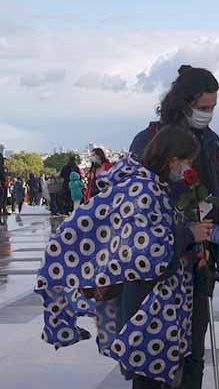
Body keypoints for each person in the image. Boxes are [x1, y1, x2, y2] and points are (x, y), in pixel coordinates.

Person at [37, 126, 207, 389]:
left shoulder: (151, 186)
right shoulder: (143, 190)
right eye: (188, 162)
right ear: (173, 160)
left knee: (154, 377)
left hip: (157, 308)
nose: (187, 168)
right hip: (149, 309)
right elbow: (147, 255)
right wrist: (189, 234)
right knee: (150, 380)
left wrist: (192, 248)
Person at [129, 65, 219, 388]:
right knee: (153, 353)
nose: (208, 114)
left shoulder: (212, 140)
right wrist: (186, 231)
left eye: (213, 107)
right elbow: (139, 212)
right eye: (203, 108)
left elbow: (217, 192)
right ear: (183, 103)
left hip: (201, 260)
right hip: (160, 264)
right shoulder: (150, 140)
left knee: (193, 351)